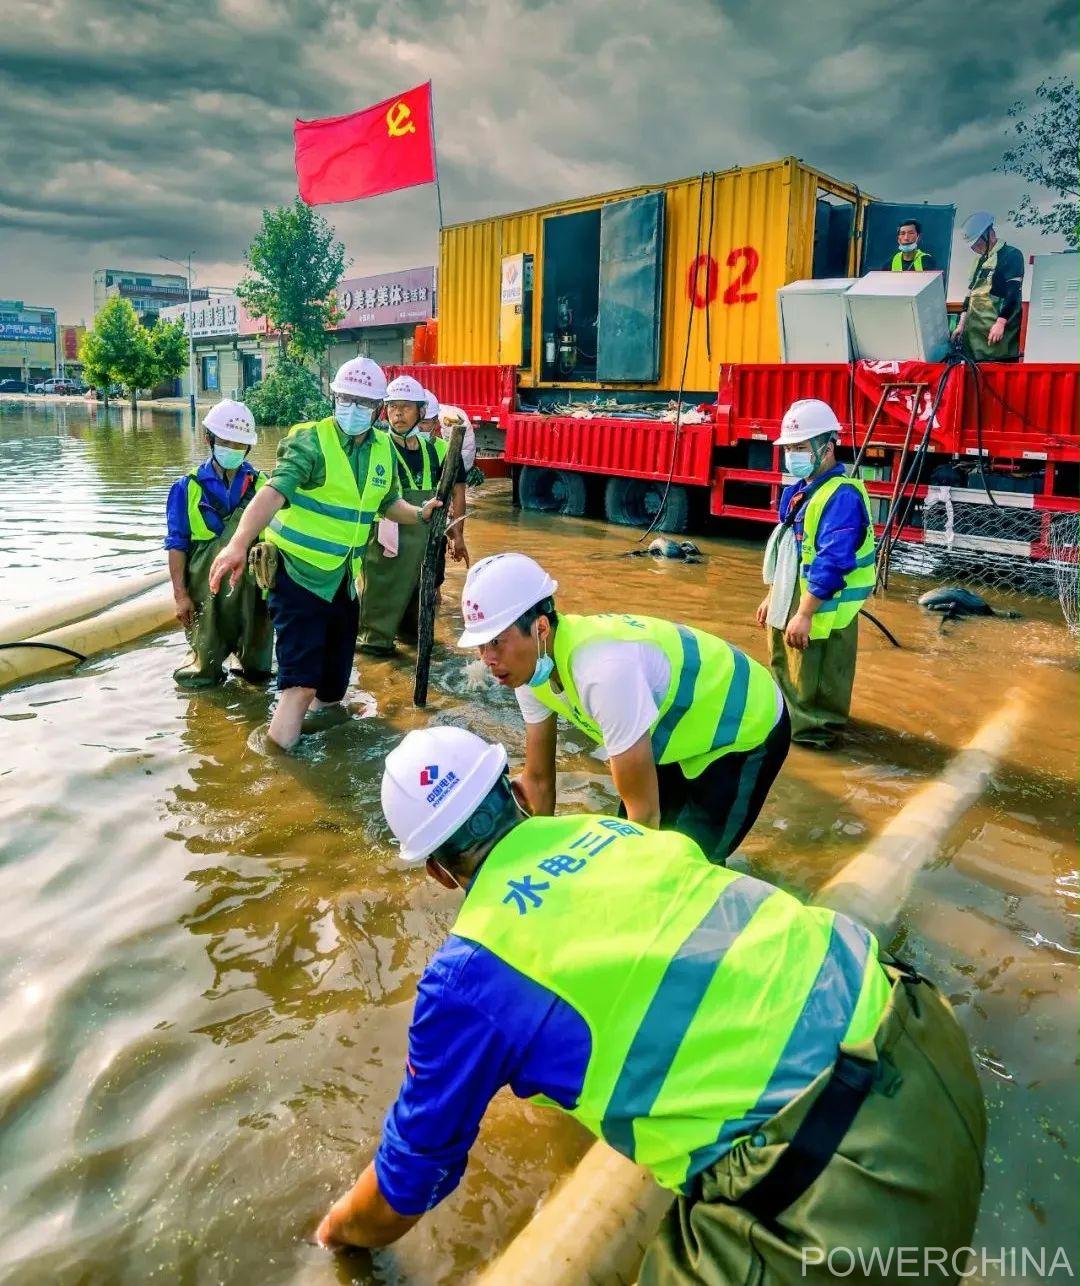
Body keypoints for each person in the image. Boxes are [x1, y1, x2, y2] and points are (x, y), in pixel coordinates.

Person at [315, 725, 987, 1286]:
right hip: (928, 1041)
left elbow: (408, 1181)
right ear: (517, 792)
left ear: (436, 872)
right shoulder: (616, 836)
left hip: (852, 1189)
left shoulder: (468, 977)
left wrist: (336, 1234)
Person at [458, 553, 788, 863]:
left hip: (743, 724)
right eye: (481, 646)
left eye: (496, 642)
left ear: (540, 628)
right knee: (633, 839)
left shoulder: (603, 673)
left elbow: (643, 815)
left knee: (689, 860)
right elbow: (539, 782)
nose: (487, 659)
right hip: (674, 726)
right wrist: (535, 864)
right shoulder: (531, 670)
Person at [207, 357, 441, 750]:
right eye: (345, 399)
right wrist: (238, 543)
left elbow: (388, 504)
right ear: (334, 397)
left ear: (377, 409)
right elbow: (273, 492)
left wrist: (420, 514)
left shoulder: (382, 449)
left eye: (363, 402)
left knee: (333, 687)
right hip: (297, 577)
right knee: (300, 685)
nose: (352, 409)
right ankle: (276, 765)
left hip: (343, 582)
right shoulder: (311, 441)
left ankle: (321, 748)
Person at [756, 399, 875, 750]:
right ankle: (788, 734)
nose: (792, 455)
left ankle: (814, 749)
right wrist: (773, 596)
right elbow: (789, 551)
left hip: (821, 610)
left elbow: (832, 562)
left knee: (816, 695)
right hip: (793, 602)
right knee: (787, 675)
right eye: (788, 448)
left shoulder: (842, 497)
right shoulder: (799, 491)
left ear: (828, 447)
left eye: (800, 447)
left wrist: (805, 613)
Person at [164, 399, 273, 687]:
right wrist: (180, 596)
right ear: (208, 439)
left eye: (239, 444)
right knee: (202, 677)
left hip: (252, 594)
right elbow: (176, 545)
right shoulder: (187, 487)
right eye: (225, 442)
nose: (232, 449)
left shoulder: (263, 485)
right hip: (205, 593)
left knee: (258, 677)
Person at [357, 375, 469, 656]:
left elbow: (454, 494)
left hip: (424, 543)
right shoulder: (376, 446)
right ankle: (376, 657)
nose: (398, 414)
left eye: (406, 407)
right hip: (386, 544)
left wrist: (456, 534)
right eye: (393, 407)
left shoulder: (435, 449)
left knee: (417, 620)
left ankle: (407, 657)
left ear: (421, 411)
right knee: (378, 615)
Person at [954, 212, 1024, 362]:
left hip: (996, 339)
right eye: (972, 246)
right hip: (974, 339)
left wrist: (1001, 322)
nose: (975, 248)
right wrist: (961, 324)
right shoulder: (980, 261)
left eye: (977, 244)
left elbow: (1013, 293)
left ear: (990, 234)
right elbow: (970, 294)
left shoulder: (1010, 255)